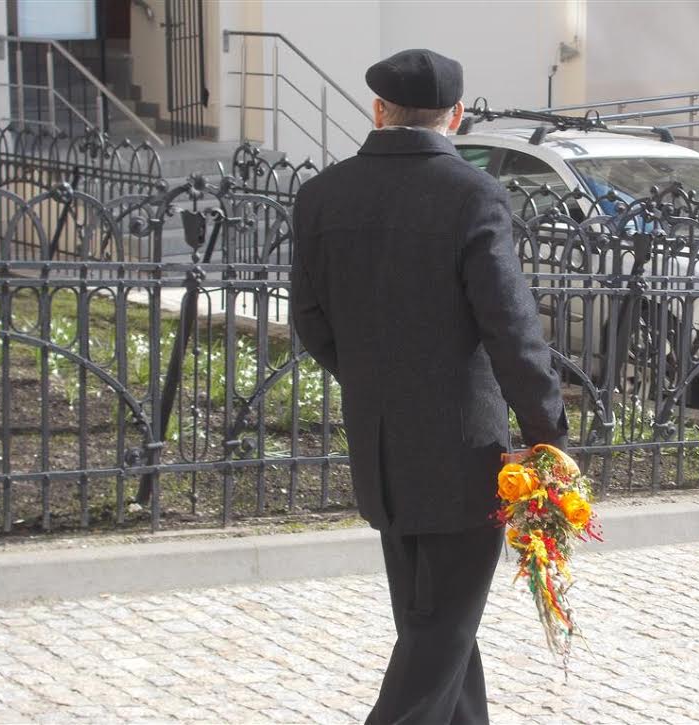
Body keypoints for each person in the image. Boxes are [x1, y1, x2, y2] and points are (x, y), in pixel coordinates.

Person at [289, 48, 568, 725]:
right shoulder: (472, 194)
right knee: (437, 636)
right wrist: (546, 431)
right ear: (457, 115)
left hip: (381, 449)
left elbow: (310, 319)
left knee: (436, 627)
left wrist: (374, 380)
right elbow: (510, 327)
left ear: (378, 110)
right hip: (462, 453)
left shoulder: (322, 194)